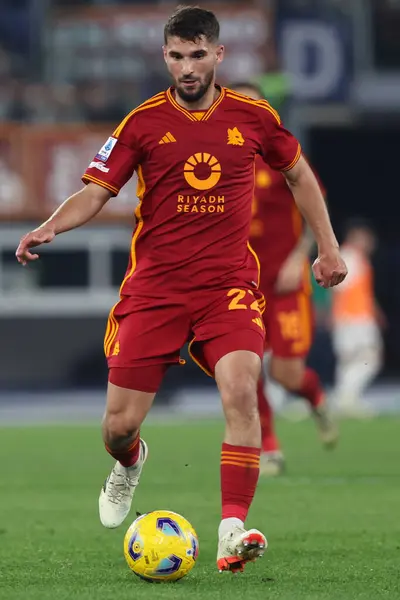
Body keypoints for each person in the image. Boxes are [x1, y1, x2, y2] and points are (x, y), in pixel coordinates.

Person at [15, 6, 347, 573]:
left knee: (242, 389)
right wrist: (51, 223)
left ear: (219, 55)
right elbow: (95, 192)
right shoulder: (142, 122)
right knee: (118, 426)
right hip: (156, 290)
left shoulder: (253, 116)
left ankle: (231, 529)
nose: (187, 66)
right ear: (164, 56)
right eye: (176, 55)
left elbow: (297, 173)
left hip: (228, 286)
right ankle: (129, 462)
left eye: (198, 55)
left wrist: (328, 245)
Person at [230, 82, 339, 476]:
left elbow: (314, 206)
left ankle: (315, 398)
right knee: (246, 369)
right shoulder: (217, 159)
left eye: (254, 105)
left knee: (286, 373)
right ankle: (269, 447)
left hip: (285, 284)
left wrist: (301, 255)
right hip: (241, 285)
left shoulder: (283, 155)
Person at [331, 219, 384, 417]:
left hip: (355, 317)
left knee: (352, 361)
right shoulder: (349, 257)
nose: (371, 241)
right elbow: (338, 289)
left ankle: (345, 398)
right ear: (355, 236)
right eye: (366, 237)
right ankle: (346, 397)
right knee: (369, 359)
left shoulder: (357, 258)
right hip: (354, 319)